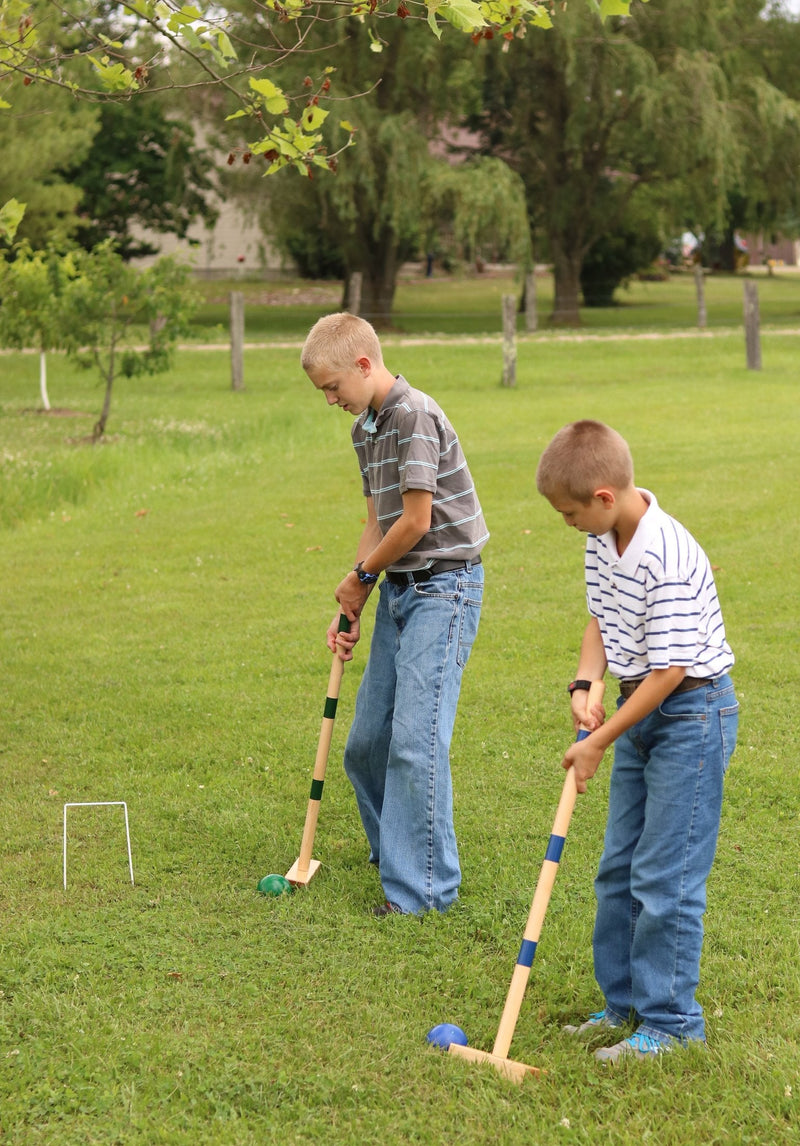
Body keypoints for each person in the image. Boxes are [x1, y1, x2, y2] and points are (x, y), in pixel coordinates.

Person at [535, 420, 738, 1063]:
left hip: (691, 714)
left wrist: (600, 741)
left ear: (602, 496)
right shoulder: (604, 536)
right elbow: (601, 615)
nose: (566, 524)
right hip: (638, 706)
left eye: (569, 513)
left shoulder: (668, 555)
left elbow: (671, 671)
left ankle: (672, 1023)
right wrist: (585, 682)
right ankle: (622, 1005)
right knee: (618, 868)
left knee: (665, 875)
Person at [300, 313, 488, 916]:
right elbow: (379, 518)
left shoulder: (414, 415)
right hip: (401, 589)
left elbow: (416, 521)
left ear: (363, 364)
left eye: (333, 387)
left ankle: (423, 891)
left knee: (415, 742)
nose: (331, 400)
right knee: (366, 744)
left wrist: (361, 578)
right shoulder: (367, 428)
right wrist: (355, 599)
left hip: (445, 589)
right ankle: (400, 847)